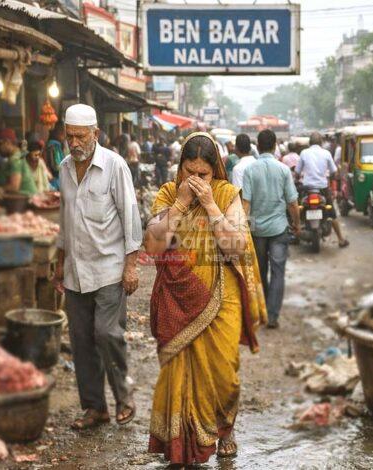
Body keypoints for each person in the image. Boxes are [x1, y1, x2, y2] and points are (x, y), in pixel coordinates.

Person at [143, 132, 266, 465]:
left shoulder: (226, 194)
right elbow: (154, 245)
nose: (196, 180)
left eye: (203, 174)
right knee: (178, 373)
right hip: (177, 295)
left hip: (220, 296)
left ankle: (225, 430)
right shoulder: (168, 193)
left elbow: (236, 247)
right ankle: (180, 446)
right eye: (190, 172)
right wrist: (180, 204)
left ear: (216, 172)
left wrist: (211, 206)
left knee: (224, 373)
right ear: (180, 167)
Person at [53, 104, 141, 430]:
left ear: (95, 134)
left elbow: (131, 218)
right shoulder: (64, 168)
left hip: (108, 268)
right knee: (80, 340)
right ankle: (94, 407)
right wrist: (59, 262)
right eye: (70, 136)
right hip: (75, 269)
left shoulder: (114, 166)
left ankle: (124, 396)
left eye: (81, 136)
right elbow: (64, 219)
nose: (74, 143)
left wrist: (131, 266)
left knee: (106, 333)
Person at [242, 129, 300, 329]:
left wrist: (242, 229)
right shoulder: (283, 170)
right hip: (278, 229)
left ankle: (263, 311)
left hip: (257, 231)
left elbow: (246, 203)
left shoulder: (250, 170)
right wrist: (297, 224)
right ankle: (273, 316)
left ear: (258, 146)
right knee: (278, 272)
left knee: (260, 272)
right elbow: (292, 203)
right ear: (275, 146)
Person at [297, 132, 350, 248]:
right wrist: (333, 178)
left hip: (307, 189)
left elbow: (297, 172)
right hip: (323, 189)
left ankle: (296, 231)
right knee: (332, 214)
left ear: (310, 143)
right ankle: (341, 239)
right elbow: (334, 172)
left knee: (298, 208)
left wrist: (297, 179)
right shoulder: (326, 153)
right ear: (321, 143)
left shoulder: (304, 153)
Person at [0, 128, 37, 196]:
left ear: (7, 142)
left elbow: (14, 186)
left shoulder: (15, 160)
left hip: (29, 199)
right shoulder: (18, 155)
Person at [46, 121, 67, 191]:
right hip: (55, 182)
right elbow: (56, 166)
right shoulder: (54, 146)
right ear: (58, 132)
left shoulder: (54, 145)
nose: (65, 136)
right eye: (63, 133)